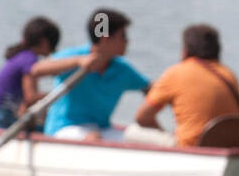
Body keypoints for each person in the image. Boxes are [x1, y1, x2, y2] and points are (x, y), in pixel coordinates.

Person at [32, 8, 151, 142]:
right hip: (64, 129)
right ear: (105, 39)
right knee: (94, 137)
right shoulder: (75, 56)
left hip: (101, 129)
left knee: (138, 140)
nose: (127, 41)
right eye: (123, 36)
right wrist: (78, 62)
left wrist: (150, 117)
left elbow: (151, 88)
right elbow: (37, 70)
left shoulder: (122, 69)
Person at [134, 24, 239, 147]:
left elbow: (142, 117)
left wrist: (165, 133)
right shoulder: (229, 74)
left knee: (132, 132)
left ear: (185, 51)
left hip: (190, 146)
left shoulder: (175, 73)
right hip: (226, 145)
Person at [0, 16, 61, 128]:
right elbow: (31, 97)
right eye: (53, 45)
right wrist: (57, 95)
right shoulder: (30, 59)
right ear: (44, 42)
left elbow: (26, 100)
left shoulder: (22, 55)